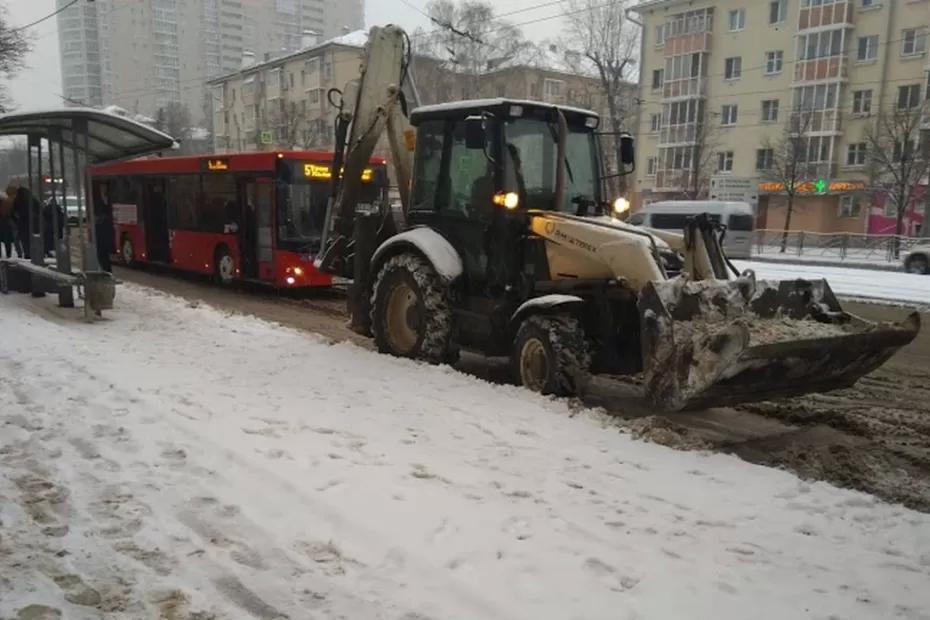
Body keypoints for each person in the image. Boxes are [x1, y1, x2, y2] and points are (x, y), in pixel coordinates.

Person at [93, 184, 114, 272]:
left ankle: (107, 271)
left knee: (103, 255)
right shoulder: (98, 202)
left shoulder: (109, 201)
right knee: (102, 255)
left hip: (105, 236)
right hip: (102, 238)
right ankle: (106, 271)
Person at [13, 186, 33, 260]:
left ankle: (26, 253)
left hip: (21, 223)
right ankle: (31, 253)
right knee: (31, 238)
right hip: (31, 222)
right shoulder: (31, 199)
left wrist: (16, 219)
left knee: (23, 240)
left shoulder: (17, 200)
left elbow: (14, 212)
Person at [0, 190, 13, 258]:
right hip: (7, 222)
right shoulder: (8, 202)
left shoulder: (5, 202)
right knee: (7, 240)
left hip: (4, 221)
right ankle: (9, 255)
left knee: (6, 239)